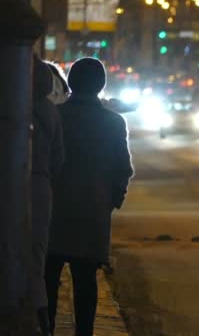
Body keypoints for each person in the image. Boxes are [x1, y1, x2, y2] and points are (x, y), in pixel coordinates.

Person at [45, 57, 134, 336]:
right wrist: (110, 201)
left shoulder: (54, 115)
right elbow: (123, 168)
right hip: (92, 213)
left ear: (70, 82)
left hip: (53, 212)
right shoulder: (114, 122)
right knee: (86, 282)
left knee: (48, 280)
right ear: (101, 85)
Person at [31, 56, 65, 336]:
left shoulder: (13, 109)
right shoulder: (51, 112)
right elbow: (58, 159)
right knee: (37, 255)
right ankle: (43, 319)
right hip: (42, 187)